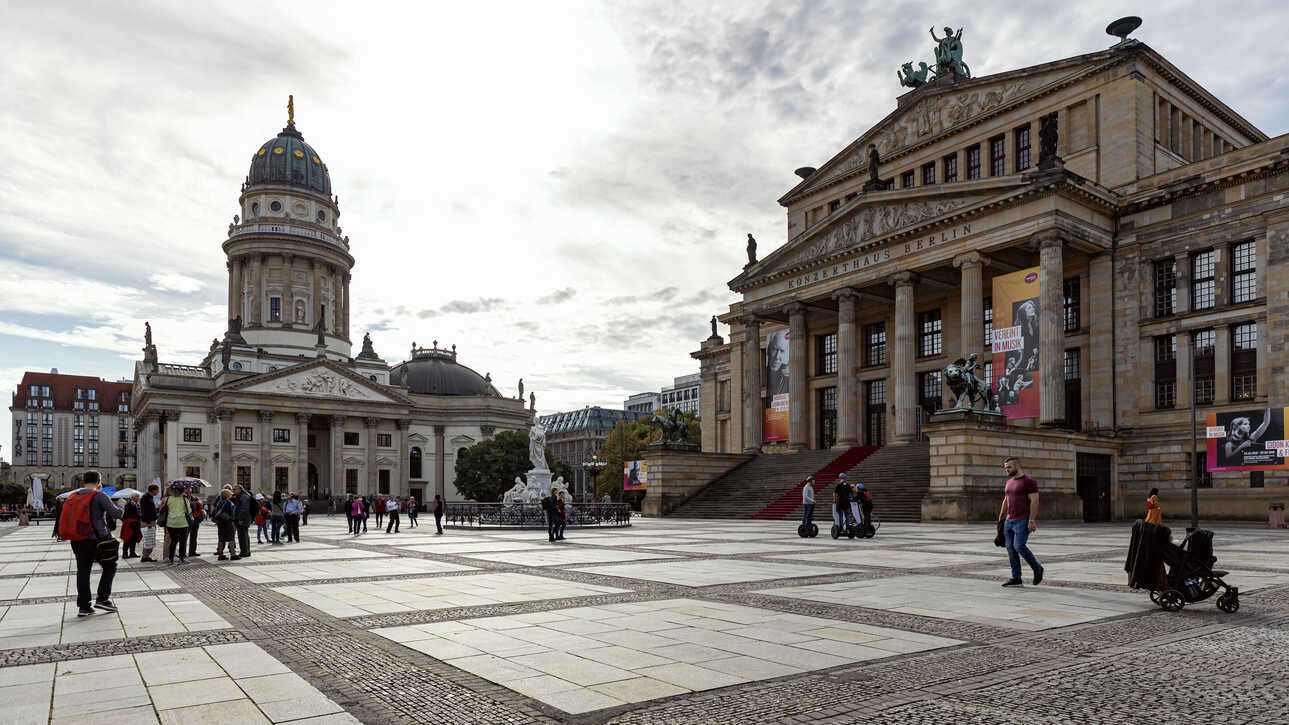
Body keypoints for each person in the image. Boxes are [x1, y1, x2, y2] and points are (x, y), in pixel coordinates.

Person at [58, 471, 123, 617]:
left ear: (83, 481)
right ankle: (103, 599)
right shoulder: (99, 495)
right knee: (110, 566)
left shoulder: (73, 496)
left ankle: (84, 607)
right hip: (97, 539)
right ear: (99, 481)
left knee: (83, 571)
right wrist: (121, 505)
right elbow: (117, 514)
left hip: (77, 540)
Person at [998, 456, 1043, 587]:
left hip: (1022, 521)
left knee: (1019, 546)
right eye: (1005, 467)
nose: (1006, 470)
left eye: (1009, 467)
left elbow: (1035, 501)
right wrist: (1001, 518)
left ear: (1017, 466)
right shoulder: (1008, 482)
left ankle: (1037, 568)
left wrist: (1032, 520)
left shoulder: (1029, 482)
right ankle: (1016, 578)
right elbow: (1006, 500)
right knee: (1011, 550)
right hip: (1008, 521)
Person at [161, 485, 192, 565]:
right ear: (182, 491)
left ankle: (171, 559)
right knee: (183, 541)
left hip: (170, 523)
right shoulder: (184, 500)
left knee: (173, 541)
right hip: (182, 523)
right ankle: (181, 559)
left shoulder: (168, 499)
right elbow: (188, 511)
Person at [213, 488, 238, 560]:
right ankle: (233, 554)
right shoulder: (228, 502)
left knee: (221, 539)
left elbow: (216, 512)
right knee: (231, 538)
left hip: (220, 523)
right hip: (228, 522)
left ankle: (220, 555)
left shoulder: (219, 502)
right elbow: (231, 513)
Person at [139, 483, 160, 562]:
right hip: (148, 522)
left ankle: (146, 556)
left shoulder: (149, 497)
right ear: (153, 490)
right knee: (148, 539)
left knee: (150, 539)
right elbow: (145, 511)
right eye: (157, 490)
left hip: (150, 521)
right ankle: (145, 556)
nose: (158, 492)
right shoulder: (145, 498)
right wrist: (148, 522)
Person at [233, 484, 255, 559]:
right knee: (244, 535)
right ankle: (246, 551)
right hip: (244, 518)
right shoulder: (242, 496)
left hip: (243, 519)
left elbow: (244, 509)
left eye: (234, 489)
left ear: (239, 489)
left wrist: (241, 519)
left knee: (242, 536)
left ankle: (244, 552)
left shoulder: (243, 496)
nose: (233, 491)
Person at [120, 493, 142, 559]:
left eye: (138, 496)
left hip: (135, 523)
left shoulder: (136, 504)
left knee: (134, 538)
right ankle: (125, 554)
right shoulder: (129, 504)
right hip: (130, 523)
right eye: (137, 496)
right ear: (132, 497)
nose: (138, 498)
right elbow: (130, 514)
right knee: (127, 538)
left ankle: (132, 552)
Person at [185, 490, 204, 558]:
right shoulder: (182, 498)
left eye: (189, 491)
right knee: (185, 537)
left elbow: (200, 507)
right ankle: (183, 552)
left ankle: (192, 552)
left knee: (194, 536)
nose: (188, 492)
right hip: (186, 520)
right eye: (187, 491)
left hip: (195, 519)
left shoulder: (195, 498)